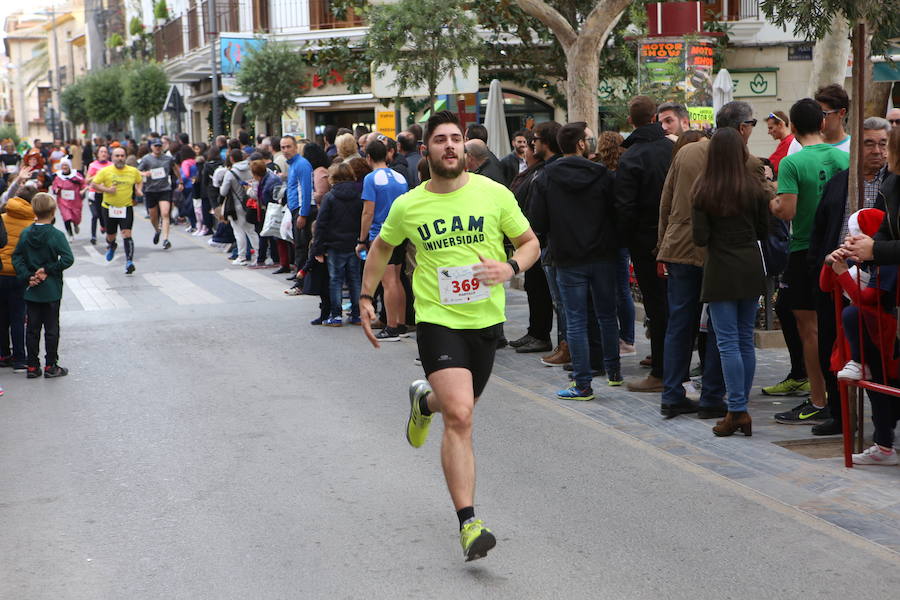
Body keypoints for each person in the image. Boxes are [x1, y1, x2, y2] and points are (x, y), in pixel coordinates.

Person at [359, 110, 539, 561]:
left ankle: (424, 401)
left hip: (485, 321)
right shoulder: (409, 204)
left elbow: (531, 243)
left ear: (465, 147)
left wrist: (511, 267)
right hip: (438, 319)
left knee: (456, 405)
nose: (450, 146)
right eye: (440, 140)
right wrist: (365, 297)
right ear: (427, 151)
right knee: (460, 416)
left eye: (456, 138)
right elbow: (383, 246)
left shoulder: (494, 194)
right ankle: (469, 523)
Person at [658, 103, 764, 420]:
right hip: (724, 256)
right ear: (742, 128)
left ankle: (672, 393)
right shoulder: (747, 161)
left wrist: (661, 247)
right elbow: (763, 213)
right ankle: (714, 397)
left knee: (680, 324)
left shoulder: (686, 152)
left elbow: (665, 200)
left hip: (681, 248)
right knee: (723, 330)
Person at [806, 116, 890, 435]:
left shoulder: (893, 183)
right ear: (857, 147)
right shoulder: (840, 181)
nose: (876, 151)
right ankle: (840, 416)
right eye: (869, 143)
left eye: (882, 144)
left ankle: (881, 422)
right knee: (832, 343)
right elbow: (820, 227)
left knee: (871, 350)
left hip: (876, 276)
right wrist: (821, 264)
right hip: (835, 269)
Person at [770, 98, 850, 426]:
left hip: (804, 249)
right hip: (839, 249)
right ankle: (840, 400)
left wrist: (771, 199)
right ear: (821, 123)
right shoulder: (843, 158)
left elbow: (786, 211)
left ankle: (819, 398)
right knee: (835, 326)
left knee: (809, 329)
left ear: (794, 127)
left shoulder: (793, 163)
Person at [530, 121, 622, 399]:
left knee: (576, 320)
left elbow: (537, 221)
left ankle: (583, 383)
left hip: (567, 257)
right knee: (607, 315)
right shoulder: (603, 175)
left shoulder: (545, 177)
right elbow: (617, 213)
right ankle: (614, 371)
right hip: (603, 255)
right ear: (581, 144)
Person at [691, 127, 770, 436]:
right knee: (743, 339)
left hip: (720, 267)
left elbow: (700, 237)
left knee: (726, 343)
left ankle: (736, 410)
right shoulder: (754, 188)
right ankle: (741, 408)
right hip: (750, 264)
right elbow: (764, 231)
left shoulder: (703, 189)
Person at [843, 126, 900, 464]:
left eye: (886, 146)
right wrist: (862, 247)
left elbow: (882, 240)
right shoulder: (890, 181)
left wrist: (874, 249)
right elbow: (880, 229)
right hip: (887, 287)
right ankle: (883, 442)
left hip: (888, 284)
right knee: (877, 358)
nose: (881, 153)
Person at [615, 96, 674, 393]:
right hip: (676, 238)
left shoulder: (631, 157)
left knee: (656, 306)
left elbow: (624, 208)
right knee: (675, 305)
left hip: (645, 242)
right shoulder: (672, 149)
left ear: (631, 121)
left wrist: (627, 243)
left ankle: (662, 372)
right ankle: (672, 369)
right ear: (655, 118)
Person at [12, 192, 73, 379]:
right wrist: (48, 269)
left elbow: (17, 257)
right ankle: (51, 365)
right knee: (52, 329)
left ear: (33, 211)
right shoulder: (56, 235)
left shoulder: (26, 233)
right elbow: (68, 259)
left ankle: (32, 366)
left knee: (32, 329)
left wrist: (27, 276)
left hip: (32, 289)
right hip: (52, 289)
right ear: (53, 211)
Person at [357, 139, 409, 340]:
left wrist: (362, 238)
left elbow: (368, 212)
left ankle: (392, 326)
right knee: (396, 278)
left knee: (388, 281)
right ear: (388, 155)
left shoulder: (370, 179)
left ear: (368, 157)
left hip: (382, 234)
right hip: (401, 232)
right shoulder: (400, 177)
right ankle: (401, 323)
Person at [311, 161, 364, 326]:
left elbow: (321, 224)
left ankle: (336, 315)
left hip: (334, 245)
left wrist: (317, 248)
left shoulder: (330, 197)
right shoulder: (360, 195)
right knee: (355, 279)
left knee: (336, 280)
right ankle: (356, 314)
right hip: (355, 244)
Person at [91, 147, 143, 274]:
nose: (120, 158)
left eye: (122, 155)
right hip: (109, 208)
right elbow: (94, 184)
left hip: (126, 207)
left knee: (126, 233)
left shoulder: (133, 171)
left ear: (125, 157)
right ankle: (112, 245)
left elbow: (139, 180)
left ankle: (129, 262)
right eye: (117, 156)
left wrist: (138, 190)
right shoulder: (105, 171)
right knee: (110, 235)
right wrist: (107, 190)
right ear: (112, 157)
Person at [138, 138, 182, 249]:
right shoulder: (146, 159)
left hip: (164, 189)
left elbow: (175, 168)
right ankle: (157, 230)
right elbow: (137, 171)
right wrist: (145, 173)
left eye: (159, 145)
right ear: (151, 147)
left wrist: (180, 181)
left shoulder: (168, 158)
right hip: (151, 190)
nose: (158, 148)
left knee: (165, 213)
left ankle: (166, 239)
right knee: (153, 216)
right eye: (155, 146)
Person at [0, 184, 25, 374]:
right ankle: (19, 358)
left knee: (2, 317)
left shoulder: (2, 218)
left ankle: (3, 354)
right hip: (17, 274)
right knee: (18, 317)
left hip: (0, 273)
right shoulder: (30, 223)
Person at [220, 149, 259, 266]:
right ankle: (258, 255)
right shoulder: (250, 169)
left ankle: (241, 256)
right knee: (251, 231)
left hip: (235, 206)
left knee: (239, 231)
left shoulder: (230, 173)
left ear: (231, 159)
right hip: (250, 203)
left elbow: (223, 191)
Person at [283, 136, 313, 280]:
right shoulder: (293, 165)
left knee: (302, 245)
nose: (285, 150)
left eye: (288, 147)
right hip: (296, 208)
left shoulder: (301, 164)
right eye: (283, 147)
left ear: (295, 147)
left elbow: (306, 191)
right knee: (299, 244)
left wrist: (303, 213)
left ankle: (302, 279)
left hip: (301, 209)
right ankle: (299, 275)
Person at [788, 84, 851, 155]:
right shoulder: (798, 144)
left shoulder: (852, 147)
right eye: (816, 113)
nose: (819, 118)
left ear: (841, 113)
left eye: (824, 114)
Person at [50, 158, 86, 241]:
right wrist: (56, 190)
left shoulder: (76, 175)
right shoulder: (58, 176)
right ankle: (70, 234)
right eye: (63, 165)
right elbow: (54, 187)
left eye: (66, 165)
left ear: (69, 166)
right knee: (67, 217)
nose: (64, 167)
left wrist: (83, 190)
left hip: (75, 201)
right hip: (63, 201)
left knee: (76, 217)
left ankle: (76, 224)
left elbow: (83, 183)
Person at [84, 145, 111, 245]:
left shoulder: (111, 165)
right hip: (94, 194)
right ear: (97, 154)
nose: (103, 154)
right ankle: (93, 236)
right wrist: (98, 175)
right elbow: (87, 180)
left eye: (105, 152)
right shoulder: (93, 165)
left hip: (107, 194)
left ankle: (107, 232)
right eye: (101, 152)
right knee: (95, 215)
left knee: (106, 217)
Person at [766, 110, 794, 175]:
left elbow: (771, 165)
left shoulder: (788, 142)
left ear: (781, 124)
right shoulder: (789, 140)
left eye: (771, 128)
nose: (769, 132)